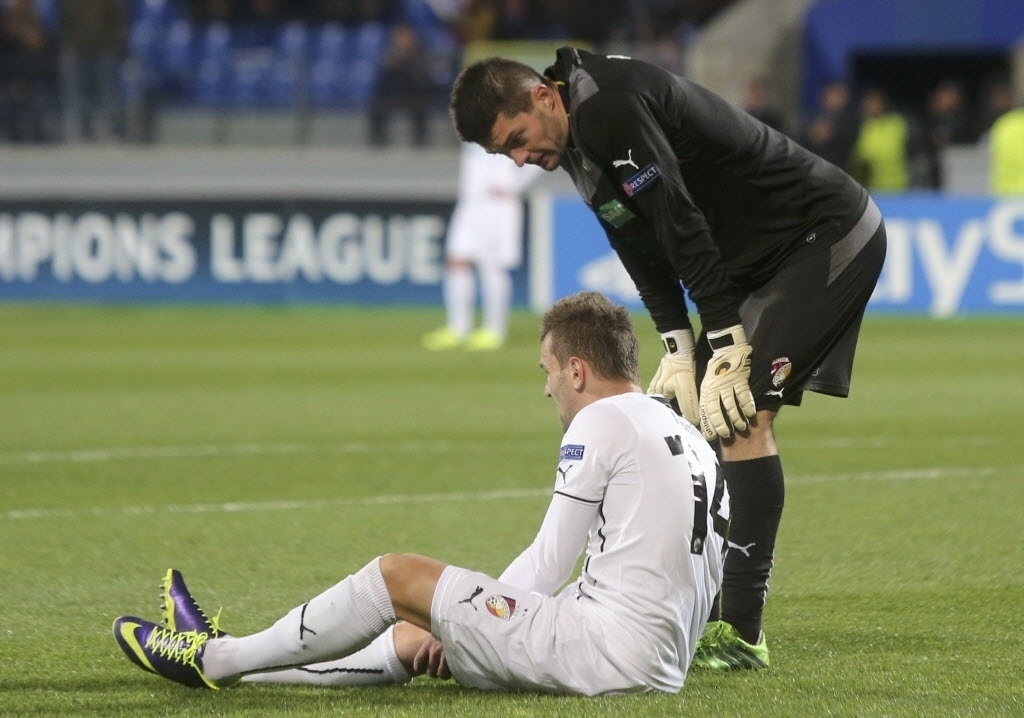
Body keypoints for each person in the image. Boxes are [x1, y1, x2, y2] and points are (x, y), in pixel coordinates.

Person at [449, 48, 887, 670]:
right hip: (752, 264)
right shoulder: (576, 135)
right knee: (684, 424)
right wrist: (678, 344)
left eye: (517, 139)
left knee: (738, 416)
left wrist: (728, 342)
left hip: (823, 235)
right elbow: (638, 242)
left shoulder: (607, 106)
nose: (521, 160)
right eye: (505, 155)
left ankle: (739, 630)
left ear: (544, 97)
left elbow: (679, 220)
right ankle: (695, 608)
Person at [113, 291, 729, 695]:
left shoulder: (603, 420)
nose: (547, 392)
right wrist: (465, 623)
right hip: (657, 663)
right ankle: (237, 659)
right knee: (411, 635)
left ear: (575, 370)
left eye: (546, 372)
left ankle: (211, 660)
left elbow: (546, 562)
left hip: (601, 655)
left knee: (398, 576)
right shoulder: (688, 435)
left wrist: (479, 620)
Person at [422, 142, 542, 351]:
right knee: (456, 260)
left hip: (498, 205)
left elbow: (538, 157)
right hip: (470, 203)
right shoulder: (472, 124)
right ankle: (458, 328)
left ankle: (494, 330)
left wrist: (514, 185)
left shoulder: (510, 119)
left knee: (492, 266)